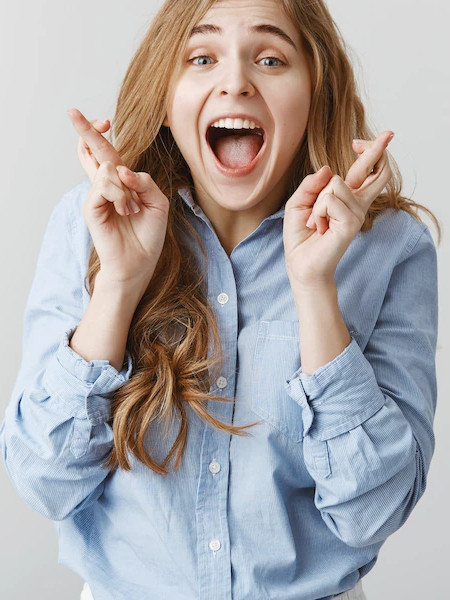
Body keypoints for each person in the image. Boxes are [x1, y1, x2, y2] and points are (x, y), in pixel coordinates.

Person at [0, 0, 440, 599]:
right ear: (165, 93)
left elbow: (373, 513)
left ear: (316, 86)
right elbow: (45, 483)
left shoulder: (389, 248)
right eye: (201, 57)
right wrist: (119, 288)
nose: (235, 81)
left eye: (270, 57)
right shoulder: (87, 227)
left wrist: (314, 291)